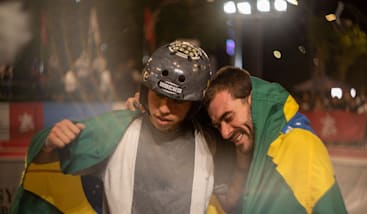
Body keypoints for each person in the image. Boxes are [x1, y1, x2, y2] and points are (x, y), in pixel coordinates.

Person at [12, 41, 218, 214]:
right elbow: (45, 165)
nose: (164, 108)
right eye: (159, 96)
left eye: (177, 101)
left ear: (194, 105)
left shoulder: (212, 140)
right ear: (146, 92)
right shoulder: (117, 131)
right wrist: (49, 143)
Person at [203, 66, 347, 213]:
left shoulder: (301, 145)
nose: (224, 133)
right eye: (218, 126)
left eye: (228, 118)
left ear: (250, 99)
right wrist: (241, 169)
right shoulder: (246, 150)